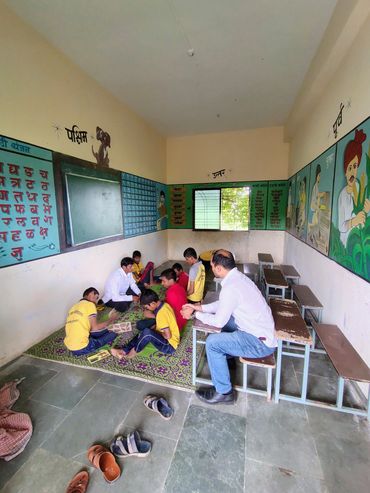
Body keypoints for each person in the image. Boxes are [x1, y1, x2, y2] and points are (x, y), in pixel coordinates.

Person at [182, 250, 277, 405]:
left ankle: (224, 392)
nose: (210, 268)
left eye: (212, 265)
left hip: (259, 343)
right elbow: (223, 304)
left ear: (219, 268)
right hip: (258, 331)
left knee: (212, 343)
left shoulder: (231, 287)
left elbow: (218, 321)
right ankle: (227, 357)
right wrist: (199, 307)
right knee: (228, 322)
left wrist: (194, 314)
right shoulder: (238, 279)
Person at [111, 289, 180, 360]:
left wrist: (155, 332)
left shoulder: (161, 314)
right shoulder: (164, 304)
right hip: (170, 339)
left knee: (147, 333)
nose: (147, 309)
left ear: (153, 303)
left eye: (147, 307)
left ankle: (134, 351)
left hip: (169, 346)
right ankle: (124, 351)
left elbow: (168, 336)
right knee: (144, 332)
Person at [338, 129, 370, 247]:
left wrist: (366, 211)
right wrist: (353, 221)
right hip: (347, 243)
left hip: (358, 240)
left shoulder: (359, 187)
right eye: (349, 167)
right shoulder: (342, 195)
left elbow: (361, 215)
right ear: (345, 171)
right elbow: (341, 226)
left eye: (355, 166)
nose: (352, 172)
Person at [64, 287, 119, 356]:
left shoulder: (73, 307)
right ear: (91, 293)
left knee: (105, 330)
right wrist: (111, 319)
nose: (96, 302)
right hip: (82, 348)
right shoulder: (90, 304)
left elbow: (90, 328)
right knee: (113, 334)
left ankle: (106, 331)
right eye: (96, 298)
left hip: (69, 346)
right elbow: (95, 328)